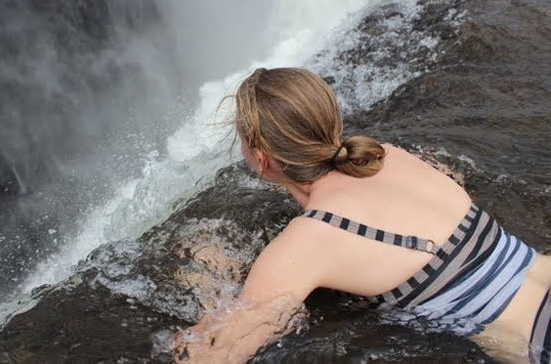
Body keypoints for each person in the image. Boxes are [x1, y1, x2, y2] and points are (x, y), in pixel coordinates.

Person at [173, 67, 551, 363]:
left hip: (536, 337)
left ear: (260, 159)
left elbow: (221, 352)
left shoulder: (310, 240)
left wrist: (208, 289)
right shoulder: (388, 156)